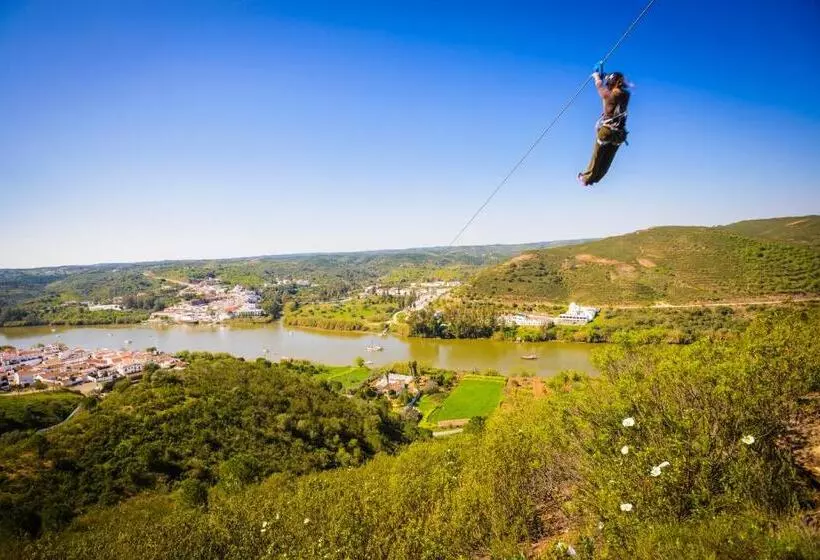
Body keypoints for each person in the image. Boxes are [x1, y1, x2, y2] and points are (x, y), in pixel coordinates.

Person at [578, 68, 630, 187]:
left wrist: (596, 76)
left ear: (611, 83)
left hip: (607, 131)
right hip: (620, 134)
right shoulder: (626, 95)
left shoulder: (608, 95)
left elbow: (599, 86)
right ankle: (595, 179)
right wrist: (605, 76)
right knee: (607, 160)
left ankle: (586, 179)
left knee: (596, 158)